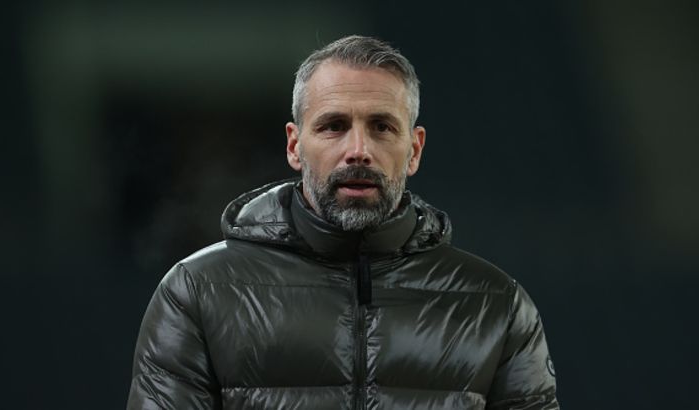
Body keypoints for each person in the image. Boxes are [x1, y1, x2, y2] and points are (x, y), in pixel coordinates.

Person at [127, 35, 559, 409]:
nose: (358, 151)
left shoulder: (497, 307)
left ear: (414, 150)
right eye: (334, 126)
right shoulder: (197, 294)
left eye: (381, 127)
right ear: (294, 146)